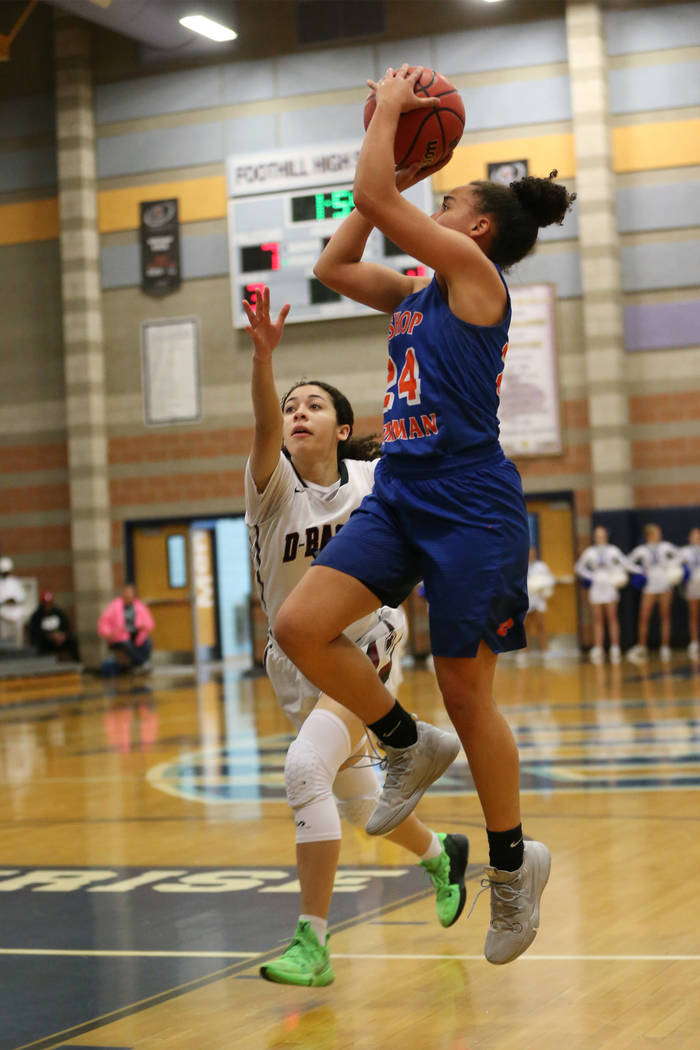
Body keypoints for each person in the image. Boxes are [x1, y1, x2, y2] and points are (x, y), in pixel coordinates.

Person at [273, 65, 575, 966]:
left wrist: (392, 123)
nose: (430, 209)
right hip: (404, 490)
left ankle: (513, 867)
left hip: (471, 501)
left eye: (444, 202)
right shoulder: (415, 295)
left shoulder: (476, 276)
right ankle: (407, 743)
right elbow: (330, 266)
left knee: (467, 688)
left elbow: (371, 193)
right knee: (300, 626)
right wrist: (395, 178)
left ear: (477, 229)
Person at [243, 286, 468, 987]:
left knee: (303, 770)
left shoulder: (375, 481)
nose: (296, 413)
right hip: (293, 658)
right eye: (291, 406)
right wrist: (264, 359)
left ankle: (313, 944)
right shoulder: (271, 486)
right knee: (359, 801)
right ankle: (441, 854)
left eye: (312, 405)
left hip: (367, 641)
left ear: (343, 429)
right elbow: (261, 423)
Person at [574, 525, 635, 664]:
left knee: (612, 617)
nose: (600, 537)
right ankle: (599, 647)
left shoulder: (613, 550)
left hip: (609, 586)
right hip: (596, 587)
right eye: (597, 535)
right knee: (597, 619)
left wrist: (638, 570)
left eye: (602, 535)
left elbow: (626, 564)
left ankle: (615, 647)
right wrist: (591, 576)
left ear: (606, 536)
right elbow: (578, 567)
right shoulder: (590, 552)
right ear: (594, 537)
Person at [626, 523, 682, 664]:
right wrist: (640, 570)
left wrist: (671, 566)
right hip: (650, 586)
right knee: (644, 617)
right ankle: (642, 646)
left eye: (659, 532)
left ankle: (665, 647)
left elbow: (680, 556)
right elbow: (627, 562)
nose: (659, 535)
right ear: (649, 535)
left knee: (665, 616)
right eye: (656, 532)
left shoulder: (665, 547)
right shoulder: (642, 550)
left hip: (665, 585)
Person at [97, 584, 154, 672]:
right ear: (122, 593)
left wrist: (144, 626)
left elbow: (148, 621)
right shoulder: (115, 606)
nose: (128, 595)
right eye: (126, 592)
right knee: (127, 645)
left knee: (147, 643)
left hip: (137, 634)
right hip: (120, 635)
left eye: (130, 592)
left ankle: (140, 665)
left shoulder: (139, 605)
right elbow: (104, 621)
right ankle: (141, 664)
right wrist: (108, 633)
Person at [518, 546, 556, 664]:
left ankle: (545, 650)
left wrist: (542, 586)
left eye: (532, 552)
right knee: (525, 627)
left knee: (541, 625)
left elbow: (551, 579)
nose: (531, 554)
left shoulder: (541, 567)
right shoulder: (520, 566)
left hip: (538, 600)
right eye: (529, 552)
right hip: (526, 600)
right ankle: (523, 652)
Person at [28, 590, 81, 663]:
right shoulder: (36, 616)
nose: (47, 605)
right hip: (46, 642)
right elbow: (35, 632)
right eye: (45, 603)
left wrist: (62, 635)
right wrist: (51, 636)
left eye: (49, 603)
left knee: (73, 641)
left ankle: (77, 663)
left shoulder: (58, 612)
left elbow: (66, 626)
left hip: (60, 639)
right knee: (40, 646)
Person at [679, 527, 700, 660]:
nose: (696, 538)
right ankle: (694, 642)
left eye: (698, 536)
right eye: (694, 536)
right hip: (692, 586)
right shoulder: (684, 551)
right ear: (689, 538)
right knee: (693, 615)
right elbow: (674, 565)